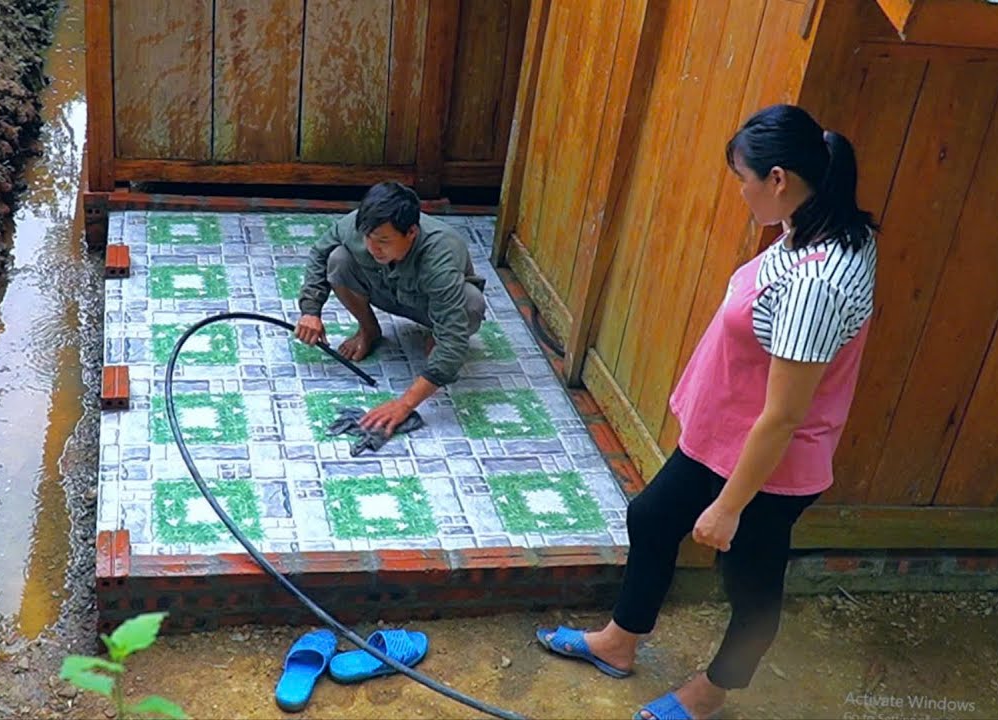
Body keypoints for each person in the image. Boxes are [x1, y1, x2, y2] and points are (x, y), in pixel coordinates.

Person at [535, 104, 879, 720]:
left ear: (778, 178)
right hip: (726, 437)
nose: (740, 192)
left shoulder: (817, 283)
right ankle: (620, 642)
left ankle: (713, 690)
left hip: (767, 465)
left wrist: (728, 506)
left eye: (742, 179)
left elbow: (783, 416)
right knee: (652, 517)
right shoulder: (815, 223)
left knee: (749, 585)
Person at [294, 181, 487, 434]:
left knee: (470, 303)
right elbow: (319, 254)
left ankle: (432, 336)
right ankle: (369, 330)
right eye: (369, 238)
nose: (373, 248)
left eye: (384, 241)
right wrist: (311, 310)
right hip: (384, 290)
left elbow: (453, 341)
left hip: (430, 306)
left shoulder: (441, 253)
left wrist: (404, 404)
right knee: (338, 259)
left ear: (411, 233)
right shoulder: (359, 224)